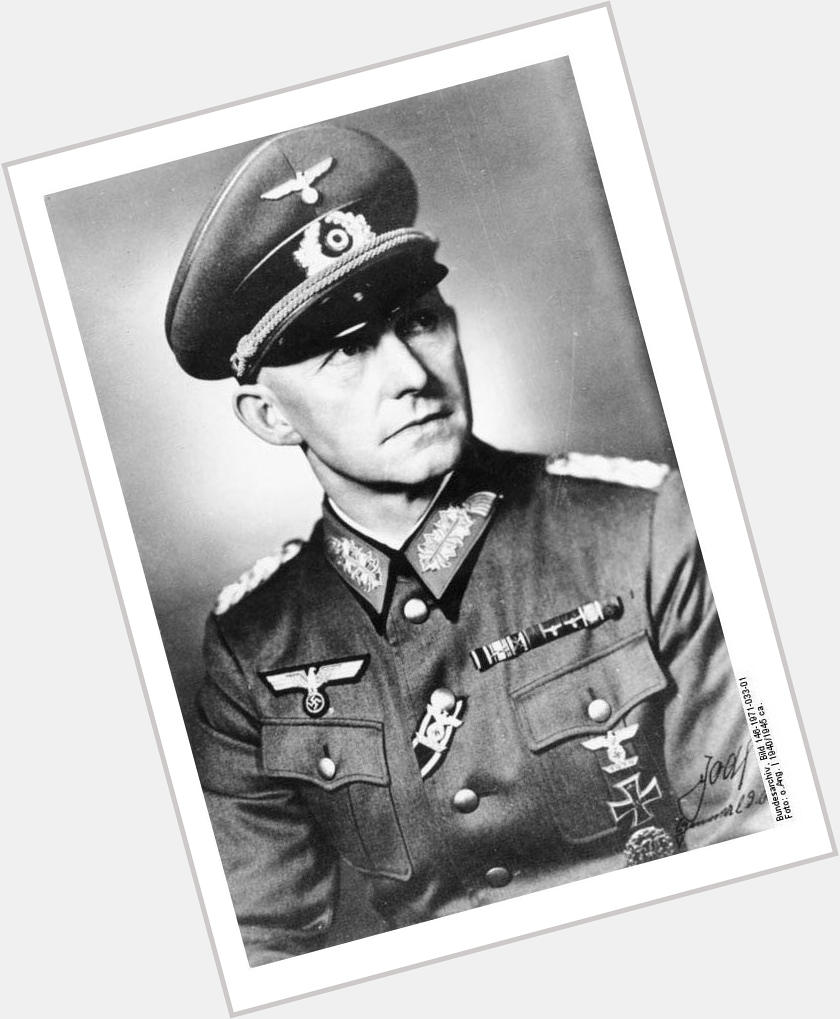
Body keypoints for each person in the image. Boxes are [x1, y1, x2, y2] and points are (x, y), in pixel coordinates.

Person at [165, 124, 771, 966]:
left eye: (419, 321)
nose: (412, 375)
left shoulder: (649, 527)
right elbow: (251, 945)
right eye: (346, 352)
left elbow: (754, 839)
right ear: (269, 417)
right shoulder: (254, 646)